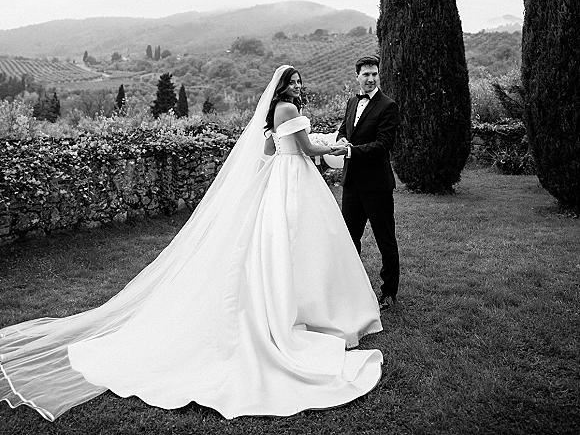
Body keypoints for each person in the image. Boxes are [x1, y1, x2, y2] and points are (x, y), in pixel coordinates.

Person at [0, 65, 383, 422]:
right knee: (302, 243)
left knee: (284, 244)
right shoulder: (289, 110)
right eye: (293, 82)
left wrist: (289, 140)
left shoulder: (274, 115)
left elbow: (269, 150)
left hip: (280, 179)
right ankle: (312, 307)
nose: (298, 87)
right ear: (282, 88)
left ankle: (298, 302)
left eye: (299, 82)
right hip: (295, 180)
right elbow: (307, 150)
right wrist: (334, 147)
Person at [333, 56, 400, 309]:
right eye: (366, 75)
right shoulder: (352, 102)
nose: (371, 79)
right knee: (349, 239)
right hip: (352, 184)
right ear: (357, 76)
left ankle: (389, 293)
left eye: (374, 74)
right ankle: (351, 288)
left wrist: (350, 152)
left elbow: (383, 145)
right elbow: (343, 130)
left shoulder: (388, 106)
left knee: (385, 240)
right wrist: (340, 141)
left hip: (377, 185)